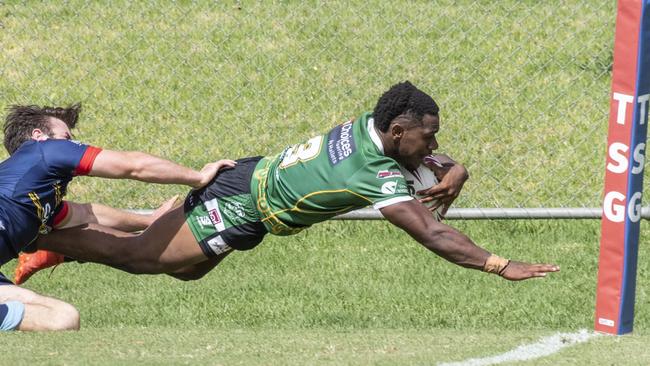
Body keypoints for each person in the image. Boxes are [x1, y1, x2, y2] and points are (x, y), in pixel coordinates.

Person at [26, 81, 559, 290]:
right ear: (397, 131)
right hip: (240, 204)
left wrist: (456, 169)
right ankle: (33, 235)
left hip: (250, 189)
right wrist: (498, 264)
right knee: (143, 257)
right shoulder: (373, 172)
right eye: (427, 137)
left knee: (185, 270)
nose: (432, 145)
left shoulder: (371, 126)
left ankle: (56, 243)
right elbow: (433, 234)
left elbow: (429, 159)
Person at [0, 103, 234, 331]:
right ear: (39, 135)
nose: (72, 143)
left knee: (63, 317)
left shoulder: (37, 198)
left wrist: (150, 220)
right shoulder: (46, 149)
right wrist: (198, 177)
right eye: (66, 137)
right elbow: (133, 166)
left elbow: (85, 213)